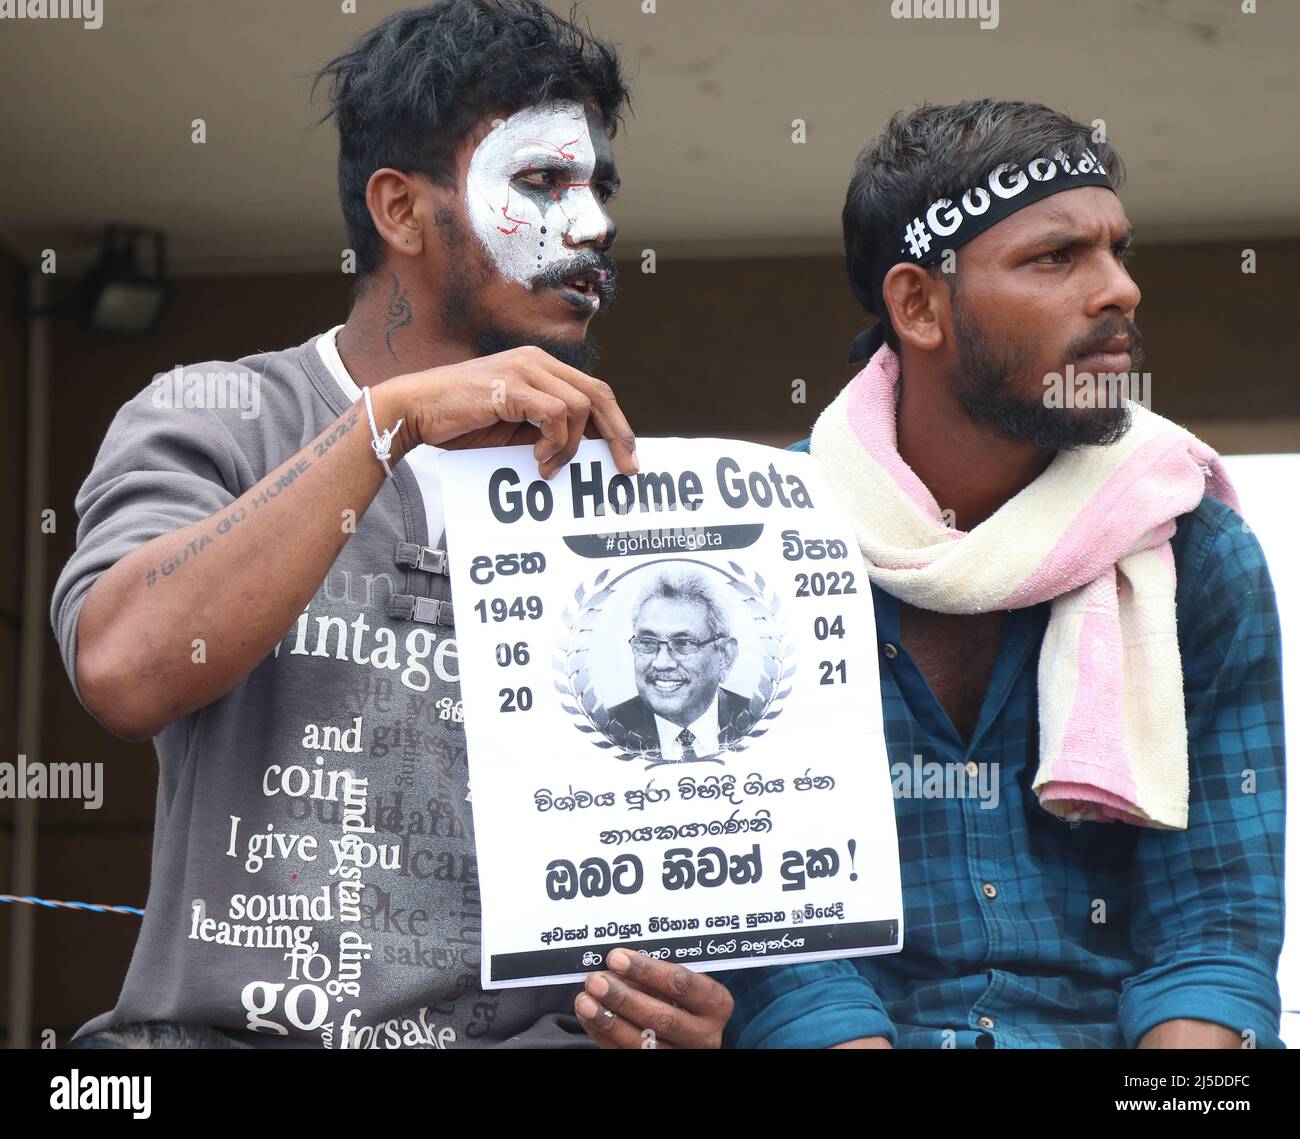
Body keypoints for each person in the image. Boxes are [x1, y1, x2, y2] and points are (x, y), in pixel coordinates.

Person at [53, 0, 732, 1050]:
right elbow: (126, 669)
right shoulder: (217, 412)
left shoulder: (629, 492)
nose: (592, 227)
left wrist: (669, 1011)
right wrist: (387, 426)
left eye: (598, 187)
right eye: (541, 185)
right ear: (401, 211)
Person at [721, 99, 1286, 1049]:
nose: (1119, 290)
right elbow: (782, 951)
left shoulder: (1192, 548)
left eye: (1119, 249)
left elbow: (1213, 938)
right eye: (1056, 258)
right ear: (917, 305)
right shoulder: (762, 545)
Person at [605, 570, 749, 762]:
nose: (662, 663)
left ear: (724, 656)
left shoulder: (758, 720)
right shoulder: (607, 729)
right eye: (647, 642)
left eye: (683, 643)